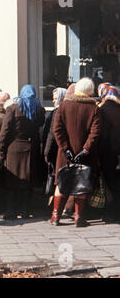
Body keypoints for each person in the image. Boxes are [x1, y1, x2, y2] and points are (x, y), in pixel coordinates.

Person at [51, 78, 100, 227]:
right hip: (84, 154)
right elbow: (95, 133)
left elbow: (57, 129)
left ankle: (55, 216)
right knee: (82, 183)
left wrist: (65, 148)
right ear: (90, 90)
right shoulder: (94, 108)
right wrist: (85, 150)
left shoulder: (64, 104)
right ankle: (78, 217)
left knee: (61, 182)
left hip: (65, 154)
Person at [0, 84, 46, 220]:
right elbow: (40, 125)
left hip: (14, 148)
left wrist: (1, 149)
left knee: (12, 181)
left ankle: (11, 210)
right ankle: (25, 210)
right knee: (28, 181)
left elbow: (5, 131)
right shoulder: (39, 110)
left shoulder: (12, 108)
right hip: (32, 148)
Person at [98, 83, 120, 222]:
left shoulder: (102, 111)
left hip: (108, 153)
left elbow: (102, 135)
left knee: (109, 184)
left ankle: (110, 213)